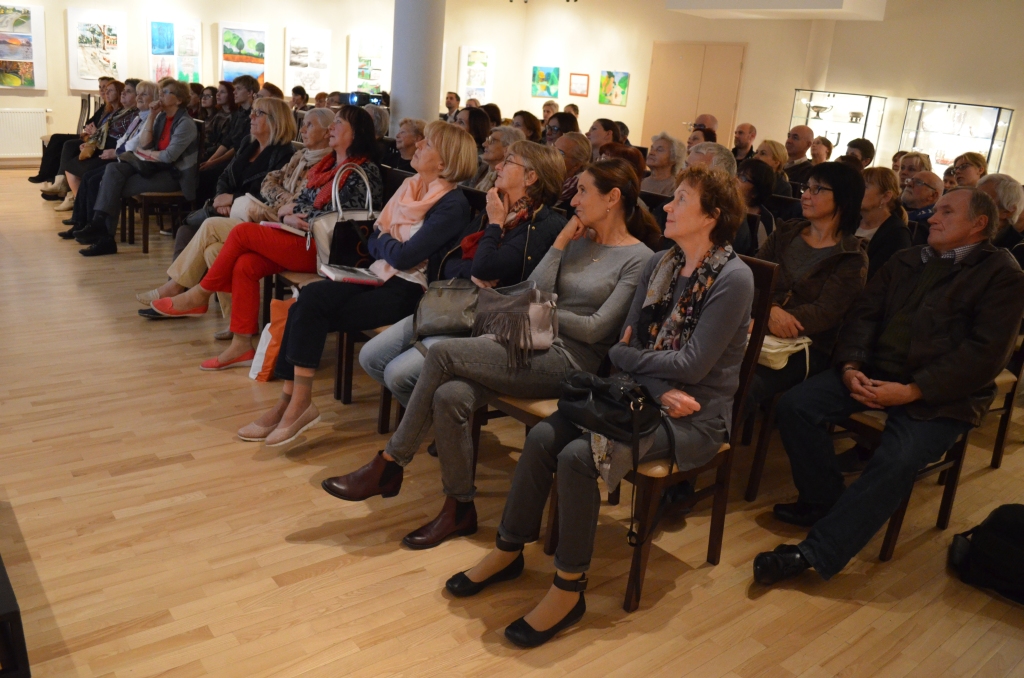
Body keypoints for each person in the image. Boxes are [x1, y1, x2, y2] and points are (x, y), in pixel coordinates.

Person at [447, 165, 753, 648]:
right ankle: (509, 549)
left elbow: (693, 367)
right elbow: (620, 350)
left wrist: (637, 364)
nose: (667, 206)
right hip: (640, 397)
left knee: (577, 456)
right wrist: (653, 379)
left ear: (712, 215)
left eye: (681, 199)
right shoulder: (661, 264)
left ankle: (569, 589)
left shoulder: (734, 278)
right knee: (544, 437)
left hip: (694, 416)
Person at [319, 158, 658, 551]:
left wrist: (543, 312)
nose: (574, 199)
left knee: (442, 354)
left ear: (612, 198)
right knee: (450, 396)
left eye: (583, 191)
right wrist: (561, 243)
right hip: (528, 340)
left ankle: (391, 463)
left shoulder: (639, 258)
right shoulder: (577, 240)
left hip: (570, 362)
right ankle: (459, 509)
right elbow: (535, 292)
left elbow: (596, 329)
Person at [753, 188, 1024, 586]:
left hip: (942, 396)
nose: (932, 218)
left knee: (898, 458)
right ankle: (824, 500)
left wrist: (914, 390)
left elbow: (984, 356)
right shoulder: (908, 259)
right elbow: (863, 316)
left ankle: (815, 552)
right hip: (875, 371)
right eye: (937, 210)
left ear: (979, 224)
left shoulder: (1002, 275)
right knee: (796, 406)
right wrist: (850, 366)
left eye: (947, 212)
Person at [235, 120, 475, 443]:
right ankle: (291, 402)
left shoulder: (452, 205)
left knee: (311, 306)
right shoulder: (412, 186)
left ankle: (295, 404)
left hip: (410, 291)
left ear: (444, 162)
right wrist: (389, 244)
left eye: (427, 144)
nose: (418, 145)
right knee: (308, 299)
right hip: (379, 274)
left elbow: (404, 257)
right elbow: (374, 235)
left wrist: (388, 243)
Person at [149, 106, 385, 368]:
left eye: (338, 123)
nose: (331, 127)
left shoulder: (364, 171)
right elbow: (300, 202)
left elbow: (346, 218)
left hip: (328, 251)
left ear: (356, 133)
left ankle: (200, 293)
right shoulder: (328, 165)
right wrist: (291, 214)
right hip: (304, 238)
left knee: (242, 232)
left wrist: (297, 214)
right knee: (245, 264)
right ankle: (241, 346)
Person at [361, 141, 568, 407]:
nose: (498, 166)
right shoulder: (497, 207)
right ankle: (434, 414)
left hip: (484, 322)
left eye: (508, 161)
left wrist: (495, 224)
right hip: (451, 304)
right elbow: (445, 262)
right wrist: (473, 270)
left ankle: (436, 418)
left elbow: (486, 269)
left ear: (530, 177)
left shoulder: (543, 225)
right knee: (370, 357)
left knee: (398, 375)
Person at [136, 108, 336, 323]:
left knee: (211, 225)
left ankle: (178, 289)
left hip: (284, 229)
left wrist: (277, 203)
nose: (302, 130)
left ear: (327, 132)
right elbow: (268, 182)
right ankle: (234, 322)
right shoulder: (298, 155)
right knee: (213, 249)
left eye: (309, 125)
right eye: (303, 124)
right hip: (269, 218)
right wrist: (227, 197)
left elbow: (299, 203)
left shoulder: (317, 161)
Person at [745, 162, 868, 428]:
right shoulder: (786, 232)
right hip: (758, 326)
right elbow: (752, 277)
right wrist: (770, 311)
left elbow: (825, 313)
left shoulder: (851, 256)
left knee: (745, 381)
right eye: (806, 187)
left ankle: (715, 442)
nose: (805, 195)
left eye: (817, 189)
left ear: (843, 198)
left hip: (807, 345)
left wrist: (768, 319)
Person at [76, 80, 199, 257]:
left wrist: (146, 153)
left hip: (174, 175)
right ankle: (100, 226)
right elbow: (145, 143)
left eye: (166, 93)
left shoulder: (185, 123)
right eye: (160, 92)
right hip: (154, 167)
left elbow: (168, 156)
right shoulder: (161, 117)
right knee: (113, 170)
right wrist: (152, 116)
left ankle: (104, 235)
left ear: (179, 100)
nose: (161, 96)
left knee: (113, 185)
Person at [172, 97, 299, 258]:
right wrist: (221, 198)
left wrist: (232, 199)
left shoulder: (285, 155)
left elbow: (270, 196)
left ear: (276, 121)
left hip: (252, 217)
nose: (251, 116)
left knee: (199, 238)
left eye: (259, 113)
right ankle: (182, 276)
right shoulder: (248, 144)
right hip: (229, 209)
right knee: (186, 230)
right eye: (252, 111)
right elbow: (225, 175)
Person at [58, 81, 152, 240]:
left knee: (92, 178)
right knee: (86, 175)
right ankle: (81, 223)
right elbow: (123, 139)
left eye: (129, 92)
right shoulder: (132, 115)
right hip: (117, 153)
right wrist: (93, 142)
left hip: (128, 159)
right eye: (126, 91)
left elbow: (133, 143)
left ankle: (92, 227)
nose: (124, 94)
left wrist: (114, 152)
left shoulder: (140, 115)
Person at [50, 79, 130, 212]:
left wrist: (95, 135)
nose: (105, 92)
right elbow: (91, 124)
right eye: (104, 89)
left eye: (110, 90)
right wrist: (90, 139)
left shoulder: (126, 114)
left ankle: (78, 204)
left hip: (110, 151)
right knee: (68, 158)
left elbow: (116, 139)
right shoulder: (109, 111)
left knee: (73, 158)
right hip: (101, 146)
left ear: (119, 92)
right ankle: (77, 202)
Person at [33, 77, 114, 186]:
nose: (103, 91)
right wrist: (89, 128)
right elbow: (89, 122)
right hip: (90, 135)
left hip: (94, 138)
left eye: (106, 88)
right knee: (56, 138)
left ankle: (54, 179)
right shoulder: (104, 106)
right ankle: (48, 175)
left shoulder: (112, 108)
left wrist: (93, 130)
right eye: (100, 87)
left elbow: (104, 130)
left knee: (65, 143)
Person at [197, 75, 260, 199]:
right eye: (234, 89)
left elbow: (238, 147)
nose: (234, 92)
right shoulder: (238, 113)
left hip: (241, 158)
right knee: (200, 165)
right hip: (232, 155)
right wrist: (211, 161)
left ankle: (210, 205)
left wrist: (213, 162)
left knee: (207, 174)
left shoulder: (253, 116)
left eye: (238, 89)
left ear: (250, 93)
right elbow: (227, 141)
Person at [857, 167, 912, 279]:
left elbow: (880, 278)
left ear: (886, 196)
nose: (855, 190)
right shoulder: (850, 221)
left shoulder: (897, 234)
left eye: (864, 187)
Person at [735, 158, 778, 252]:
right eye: (737, 174)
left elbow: (761, 256)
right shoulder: (722, 204)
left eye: (743, 178)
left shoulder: (764, 220)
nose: (735, 180)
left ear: (755, 192)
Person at [465, 126, 526, 192]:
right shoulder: (480, 167)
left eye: (492, 141)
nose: (484, 144)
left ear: (508, 149)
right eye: (487, 139)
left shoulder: (509, 181)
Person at [980, 174, 1024, 257]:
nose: (971, 205)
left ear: (1006, 212)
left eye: (983, 200)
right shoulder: (968, 234)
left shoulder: (1018, 251)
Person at [553, 131, 591, 212]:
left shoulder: (580, 196)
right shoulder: (541, 177)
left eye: (560, 153)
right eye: (553, 148)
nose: (551, 154)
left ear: (576, 165)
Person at [201, 81, 237, 162]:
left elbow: (225, 143)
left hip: (221, 156)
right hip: (210, 150)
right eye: (217, 91)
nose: (217, 94)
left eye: (222, 92)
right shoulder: (219, 114)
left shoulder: (234, 116)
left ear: (231, 95)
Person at [642, 132, 685, 196]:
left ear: (673, 158)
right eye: (652, 149)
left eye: (659, 150)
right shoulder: (641, 182)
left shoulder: (675, 187)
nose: (651, 153)